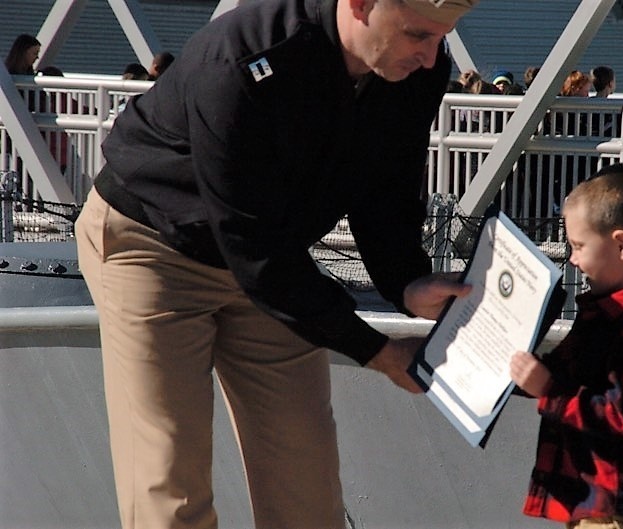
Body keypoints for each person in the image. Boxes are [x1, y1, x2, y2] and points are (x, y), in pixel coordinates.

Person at [74, 1, 478, 528]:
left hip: (271, 258)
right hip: (152, 248)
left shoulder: (420, 67)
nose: (430, 57)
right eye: (417, 35)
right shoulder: (245, 58)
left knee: (305, 482)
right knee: (167, 485)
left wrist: (407, 281)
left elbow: (387, 185)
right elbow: (250, 241)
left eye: (442, 37)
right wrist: (376, 350)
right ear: (360, 5)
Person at [510, 162, 623, 529]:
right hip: (595, 503)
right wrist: (519, 376)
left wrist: (547, 390)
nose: (572, 257)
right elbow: (564, 372)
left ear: (621, 244)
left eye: (579, 245)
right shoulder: (603, 314)